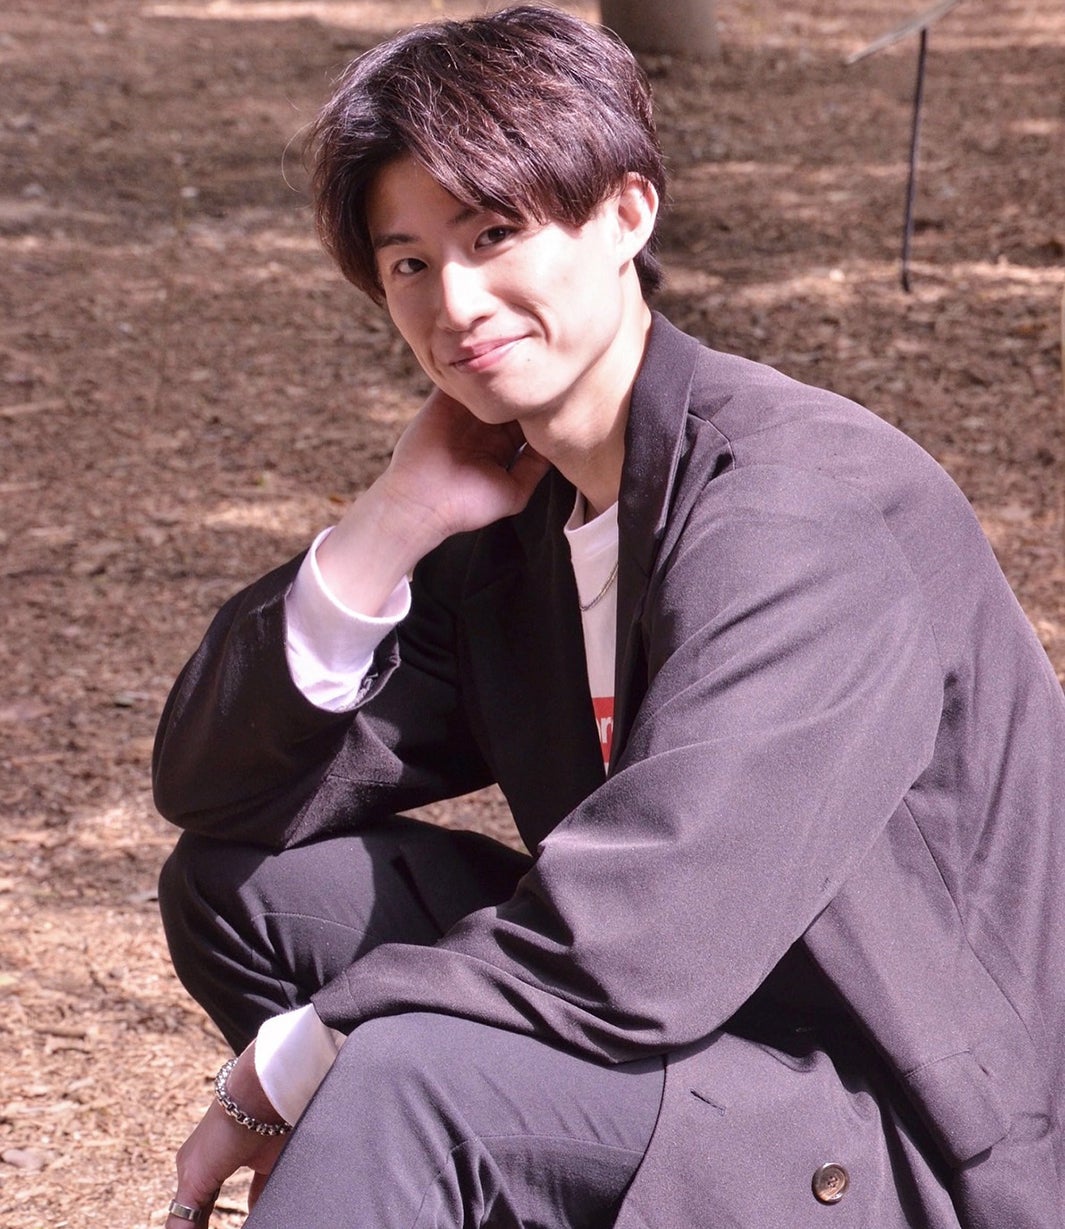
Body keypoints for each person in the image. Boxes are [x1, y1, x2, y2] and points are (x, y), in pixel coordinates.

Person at [153, 6, 1065, 1227]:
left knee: (408, 1075)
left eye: (494, 233)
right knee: (242, 889)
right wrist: (388, 524)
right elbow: (220, 792)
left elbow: (654, 925)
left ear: (629, 212)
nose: (455, 300)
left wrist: (313, 1045)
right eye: (409, 262)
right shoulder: (522, 523)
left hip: (903, 1116)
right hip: (687, 1036)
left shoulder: (802, 508)